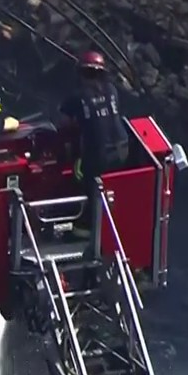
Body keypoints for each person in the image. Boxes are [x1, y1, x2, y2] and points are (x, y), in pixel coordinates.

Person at [58, 51, 129, 237]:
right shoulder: (112, 90)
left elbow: (63, 123)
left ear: (81, 74)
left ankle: (85, 228)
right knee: (111, 183)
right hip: (123, 149)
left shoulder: (77, 96)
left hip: (99, 155)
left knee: (81, 174)